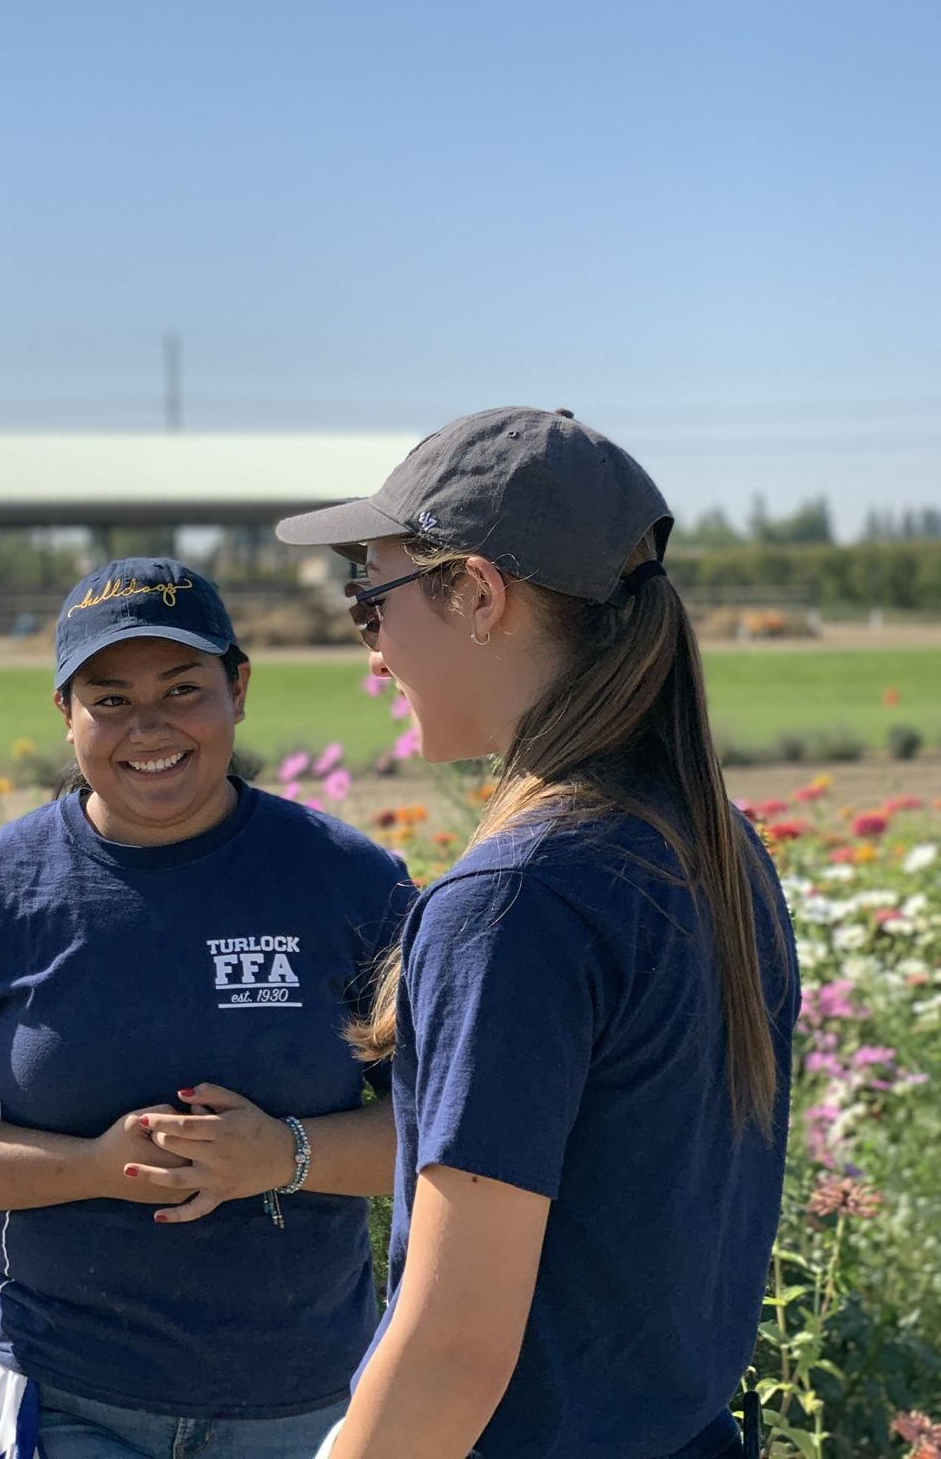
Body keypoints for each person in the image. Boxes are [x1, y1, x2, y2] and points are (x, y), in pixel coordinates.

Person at [273, 407, 798, 1459]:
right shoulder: (705, 839)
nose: (370, 655)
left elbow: (451, 1352)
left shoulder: (515, 902)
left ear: (474, 593)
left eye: (366, 604)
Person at [0, 558, 416, 1459]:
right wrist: (94, 1165)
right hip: (59, 1385)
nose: (147, 727)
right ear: (65, 715)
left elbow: (440, 1123)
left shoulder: (352, 883)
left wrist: (284, 1155)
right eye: (109, 699)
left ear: (237, 689)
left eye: (183, 688)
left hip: (300, 1400)